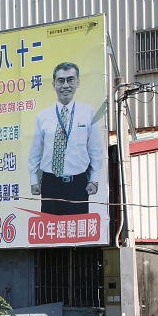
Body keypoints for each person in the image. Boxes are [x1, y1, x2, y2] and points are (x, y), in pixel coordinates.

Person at [27, 62, 105, 216]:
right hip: (50, 183)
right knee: (51, 232)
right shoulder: (43, 116)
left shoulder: (87, 112)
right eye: (61, 81)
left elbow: (95, 149)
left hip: (78, 184)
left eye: (70, 80)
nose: (65, 85)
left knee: (77, 233)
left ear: (77, 82)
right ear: (54, 84)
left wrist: (94, 180)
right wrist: (34, 179)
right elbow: (36, 151)